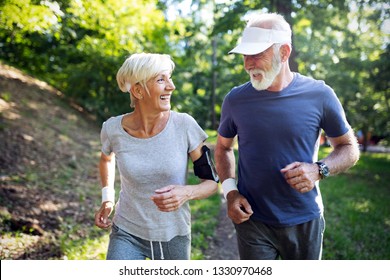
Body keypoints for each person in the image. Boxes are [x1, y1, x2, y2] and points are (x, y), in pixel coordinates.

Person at [215, 13, 360, 260]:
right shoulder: (235, 100)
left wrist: (319, 169)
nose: (248, 63)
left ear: (284, 52)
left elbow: (348, 148)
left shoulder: (320, 95)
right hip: (253, 220)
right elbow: (223, 148)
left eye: (256, 54)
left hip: (305, 220)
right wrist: (230, 192)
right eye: (244, 55)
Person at [94, 53, 219, 260]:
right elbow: (106, 157)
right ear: (138, 90)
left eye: (170, 79)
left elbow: (212, 183)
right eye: (161, 80)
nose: (171, 87)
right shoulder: (112, 129)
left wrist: (187, 193)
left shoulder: (184, 125)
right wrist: (107, 198)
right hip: (126, 231)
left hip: (173, 235)